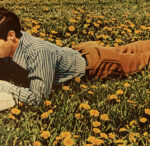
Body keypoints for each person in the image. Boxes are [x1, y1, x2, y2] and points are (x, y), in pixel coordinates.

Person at [0, 7, 150, 106]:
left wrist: (3, 86)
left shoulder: (37, 52)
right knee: (130, 49)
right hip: (83, 51)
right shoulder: (17, 44)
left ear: (11, 35)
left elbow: (38, 98)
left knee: (142, 60)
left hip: (96, 65)